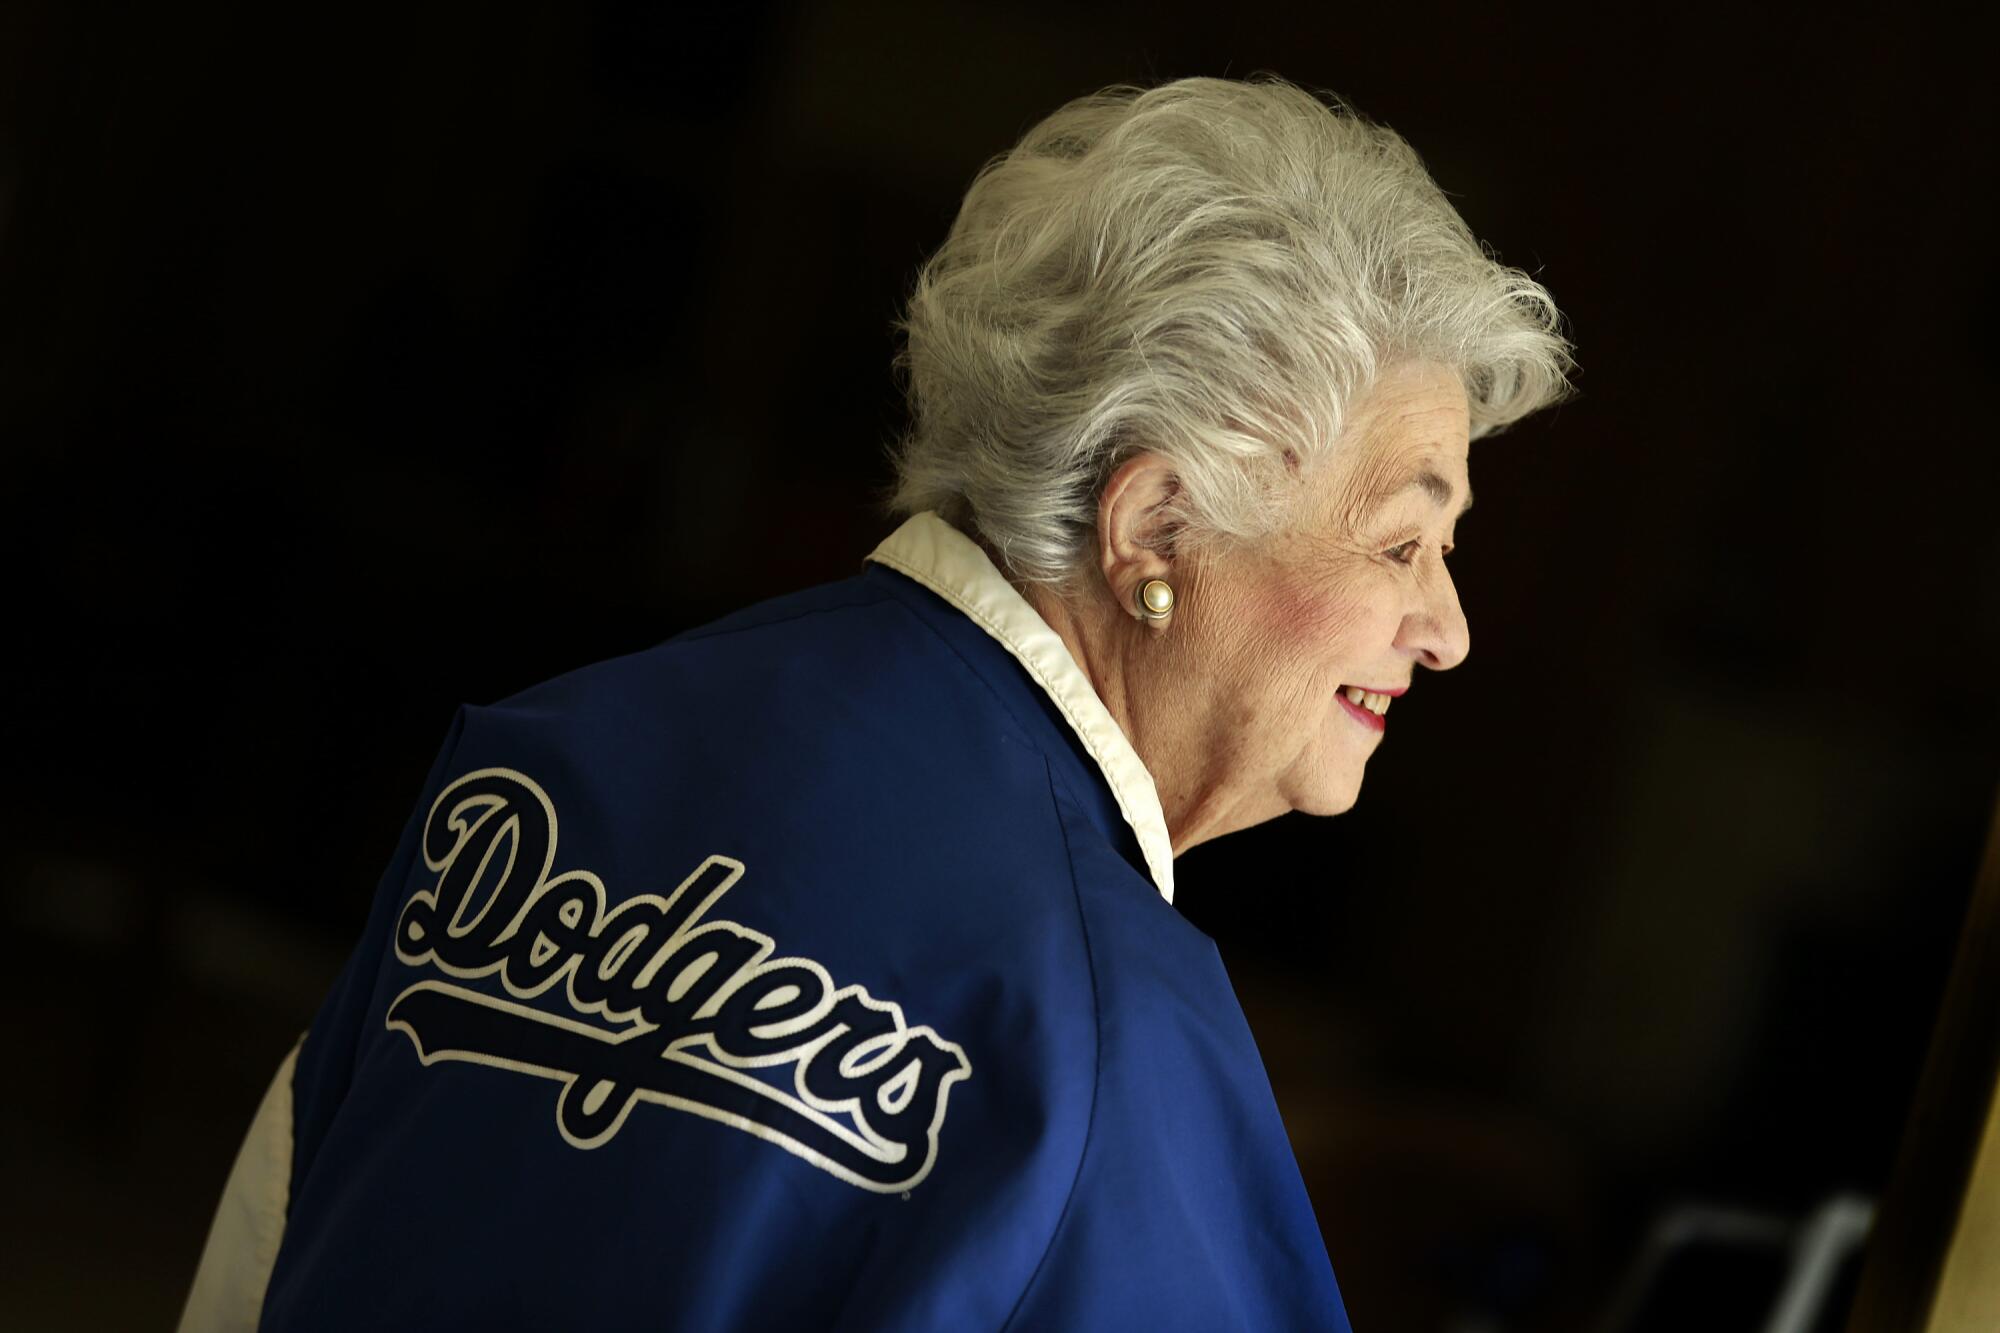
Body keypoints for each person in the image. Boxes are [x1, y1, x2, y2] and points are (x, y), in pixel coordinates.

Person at [180, 75, 1571, 1331]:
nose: (1445, 628)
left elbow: (253, 1264)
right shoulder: (1100, 1020)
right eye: (1401, 542)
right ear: (1155, 525)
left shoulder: (549, 757)